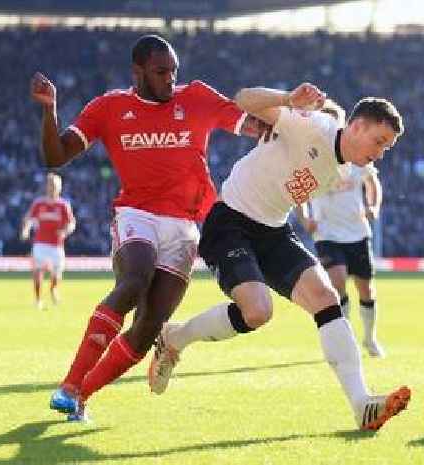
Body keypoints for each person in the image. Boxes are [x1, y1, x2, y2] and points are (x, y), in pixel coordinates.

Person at [148, 83, 410, 431]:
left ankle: (361, 403)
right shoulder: (311, 126)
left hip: (273, 230)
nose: (380, 153)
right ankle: (174, 338)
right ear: (357, 126)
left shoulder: (342, 169)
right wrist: (288, 101)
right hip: (230, 220)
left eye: (387, 148)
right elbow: (241, 99)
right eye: (379, 142)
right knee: (257, 312)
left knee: (325, 297)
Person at [31, 34, 260, 421]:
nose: (170, 79)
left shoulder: (198, 97)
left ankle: (80, 396)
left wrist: (291, 113)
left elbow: (253, 125)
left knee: (149, 325)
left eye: (173, 71)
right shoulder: (109, 108)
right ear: (137, 72)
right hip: (137, 214)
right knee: (134, 281)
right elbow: (56, 156)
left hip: (187, 225)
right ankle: (69, 383)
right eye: (160, 72)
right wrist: (50, 110)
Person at [295, 102, 385, 357]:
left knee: (365, 288)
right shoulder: (312, 156)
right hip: (327, 233)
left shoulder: (358, 158)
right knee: (336, 282)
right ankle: (346, 343)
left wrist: (373, 205)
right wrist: (304, 217)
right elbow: (299, 190)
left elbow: (373, 183)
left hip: (357, 232)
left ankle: (369, 338)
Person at [21, 172, 76, 310]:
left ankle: (53, 289)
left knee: (57, 273)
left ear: (60, 187)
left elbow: (71, 223)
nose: (52, 188)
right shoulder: (39, 203)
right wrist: (26, 230)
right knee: (38, 271)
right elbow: (28, 218)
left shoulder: (64, 205)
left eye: (55, 185)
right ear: (46, 187)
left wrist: (66, 231)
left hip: (57, 245)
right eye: (50, 185)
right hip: (40, 243)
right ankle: (38, 300)